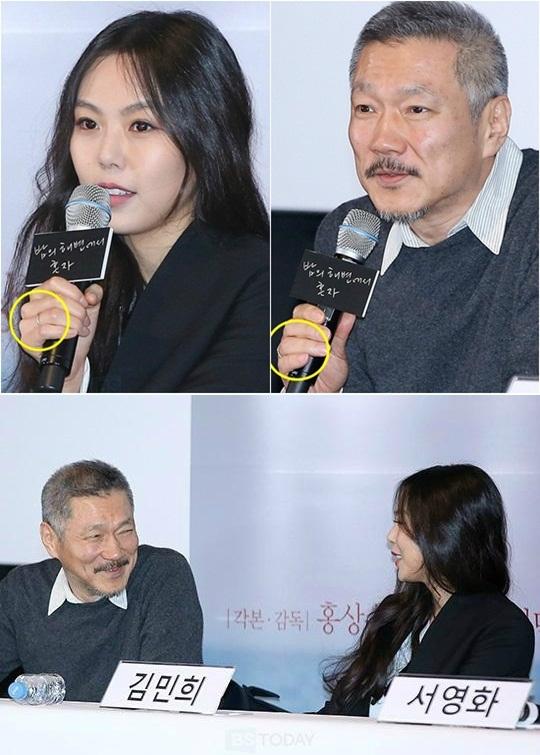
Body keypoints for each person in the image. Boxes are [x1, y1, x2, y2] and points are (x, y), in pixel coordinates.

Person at [277, 1, 538, 393]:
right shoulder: (348, 234)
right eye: (366, 108)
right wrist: (324, 398)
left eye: (416, 109)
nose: (383, 141)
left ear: (493, 124)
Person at [3, 10, 269, 393]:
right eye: (88, 123)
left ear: (209, 137)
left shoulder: (257, 284)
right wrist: (70, 378)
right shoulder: (81, 277)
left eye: (141, 126)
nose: (107, 155)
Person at [319, 464, 534, 717]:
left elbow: (461, 729)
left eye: (403, 523)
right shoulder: (396, 615)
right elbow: (336, 715)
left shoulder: (502, 629)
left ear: (446, 532)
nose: (391, 536)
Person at [0, 460, 203, 702]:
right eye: (95, 536)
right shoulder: (24, 589)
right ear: (50, 539)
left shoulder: (162, 575)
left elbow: (165, 708)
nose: (115, 552)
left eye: (125, 531)